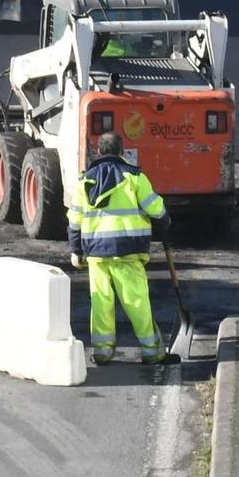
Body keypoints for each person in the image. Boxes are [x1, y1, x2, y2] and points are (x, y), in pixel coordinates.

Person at [66, 131, 171, 364]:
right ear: (122, 151)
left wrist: (76, 250)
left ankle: (103, 352)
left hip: (95, 254)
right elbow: (156, 208)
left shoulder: (85, 181)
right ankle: (152, 351)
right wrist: (164, 223)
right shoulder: (134, 177)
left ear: (99, 152)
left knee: (101, 302)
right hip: (127, 251)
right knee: (136, 302)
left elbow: (75, 219)